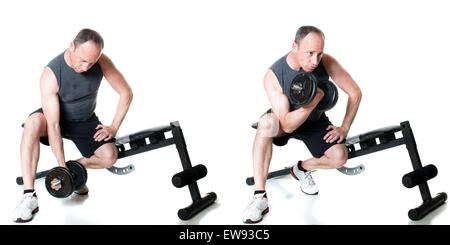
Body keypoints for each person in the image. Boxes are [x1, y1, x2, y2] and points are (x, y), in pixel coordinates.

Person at [242, 26, 362, 223]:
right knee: (266, 124)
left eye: (319, 53)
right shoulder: (275, 75)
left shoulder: (326, 62)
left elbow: (355, 92)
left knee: (340, 156)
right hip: (285, 119)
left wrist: (345, 127)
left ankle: (302, 169)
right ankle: (259, 197)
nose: (315, 61)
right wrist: (313, 102)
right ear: (294, 47)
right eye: (310, 53)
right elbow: (288, 125)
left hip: (314, 122)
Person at [13, 29, 133, 223]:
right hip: (56, 119)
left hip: (84, 120)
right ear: (72, 46)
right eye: (82, 60)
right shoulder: (52, 73)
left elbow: (126, 93)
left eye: (91, 62)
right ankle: (29, 197)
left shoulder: (102, 62)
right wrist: (60, 166)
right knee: (32, 123)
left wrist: (113, 127)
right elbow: (53, 126)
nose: (86, 67)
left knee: (110, 157)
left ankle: (76, 170)